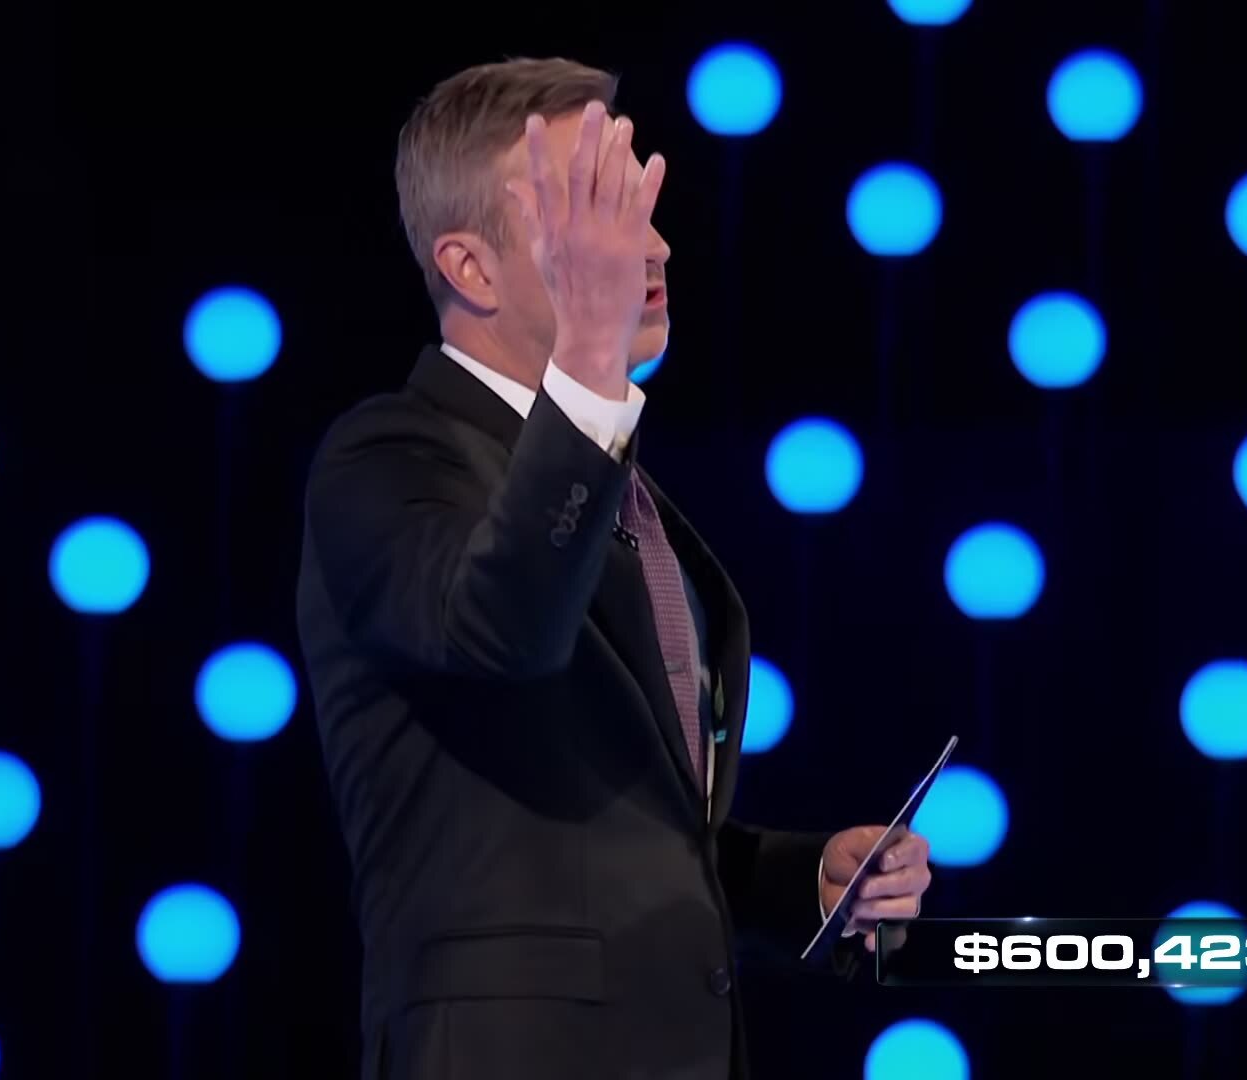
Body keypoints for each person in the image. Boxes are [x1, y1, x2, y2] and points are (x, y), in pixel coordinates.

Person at [295, 57, 933, 1080]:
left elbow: (624, 834)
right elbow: (502, 633)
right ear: (471, 269)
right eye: (595, 211)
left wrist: (804, 880)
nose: (653, 244)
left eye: (639, 204)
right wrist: (590, 358)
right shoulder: (387, 459)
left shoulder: (613, 483)